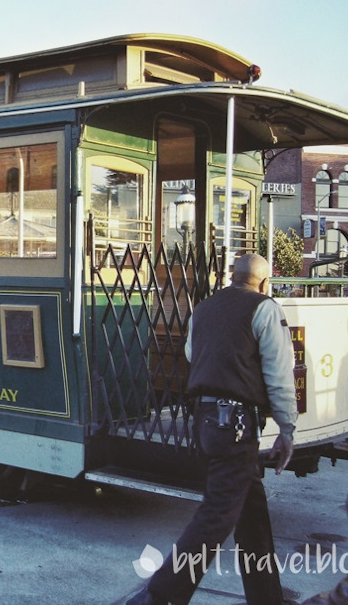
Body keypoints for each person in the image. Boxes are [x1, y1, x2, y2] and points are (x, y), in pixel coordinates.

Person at [128, 253, 298, 605]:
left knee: (251, 515)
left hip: (206, 421)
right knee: (216, 517)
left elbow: (193, 353)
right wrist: (287, 428)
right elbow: (279, 375)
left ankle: (267, 598)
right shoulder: (264, 308)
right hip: (237, 425)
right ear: (264, 283)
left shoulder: (204, 309)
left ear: (231, 277)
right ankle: (158, 597)